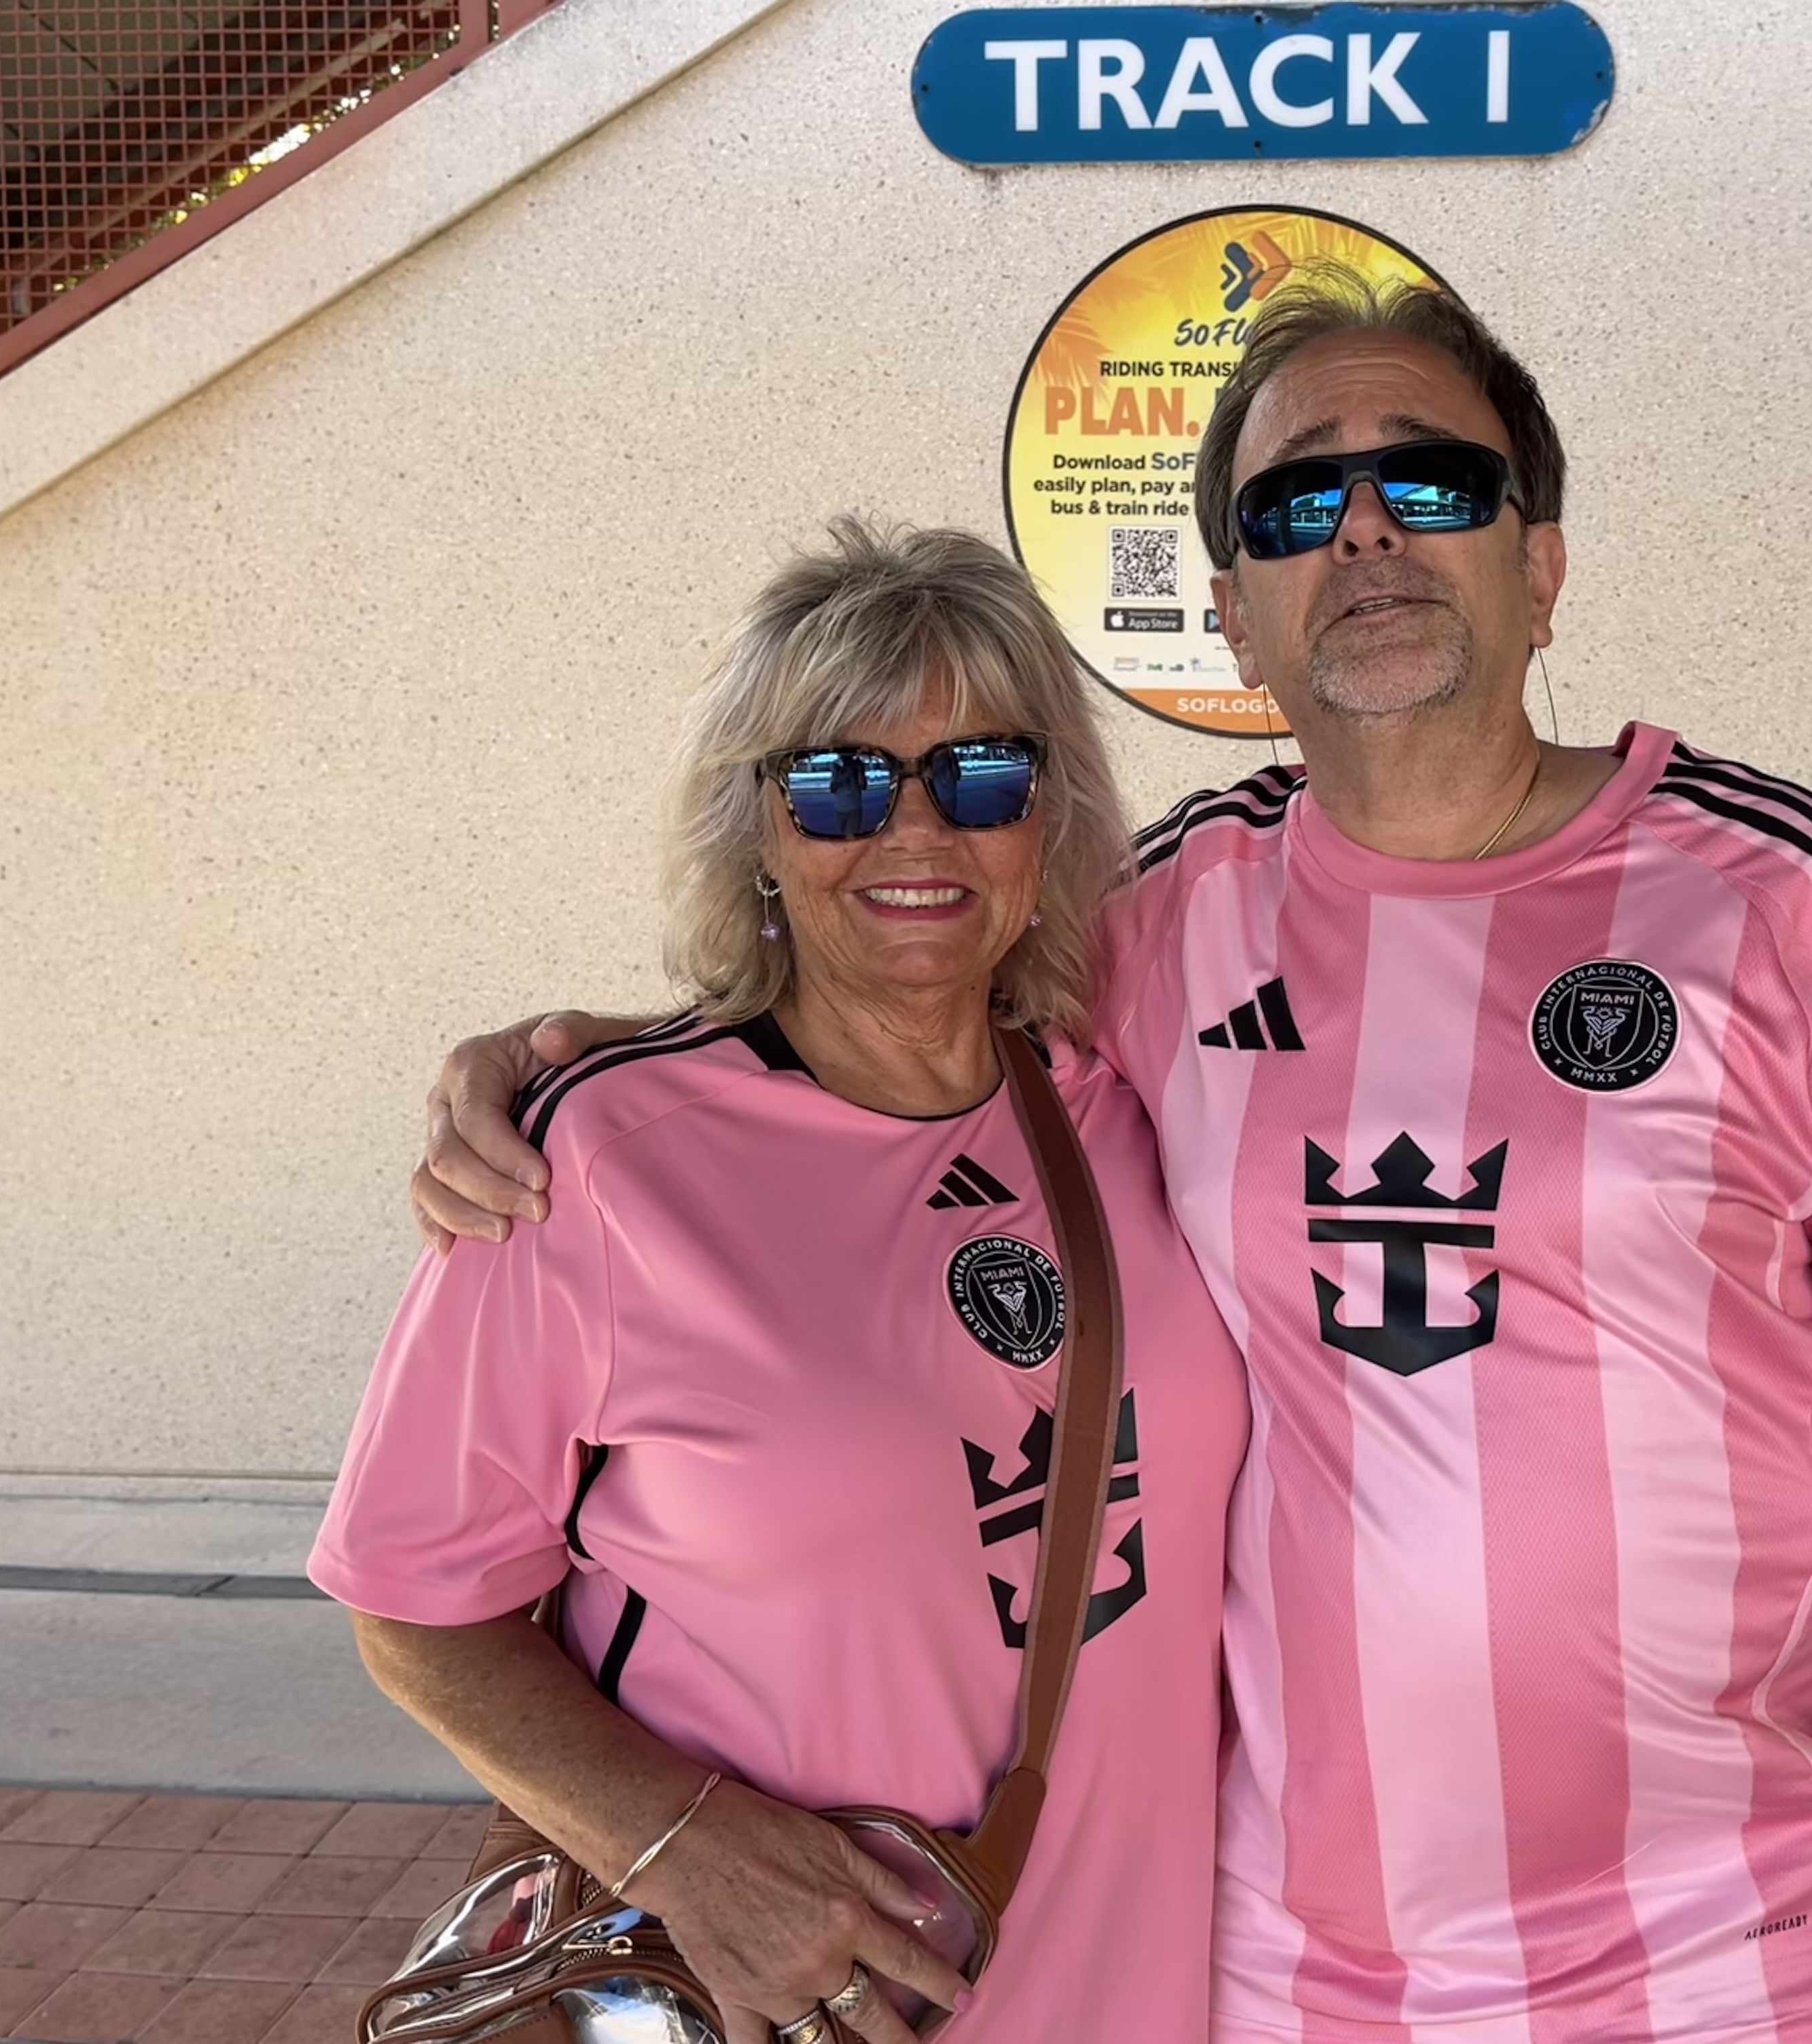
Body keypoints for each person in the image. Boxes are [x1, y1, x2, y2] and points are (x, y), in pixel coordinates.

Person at [412, 276, 1812, 2044]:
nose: (1363, 531)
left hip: (1736, 1969)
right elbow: (901, 986)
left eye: (1432, 479)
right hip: (1291, 1990)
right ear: (1236, 618)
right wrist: (590, 1062)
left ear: (1541, 565)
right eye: (1294, 505)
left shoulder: (1773, 890)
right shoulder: (1169, 921)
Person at [310, 520, 1248, 2044]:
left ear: (1048, 818)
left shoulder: (1128, 1102)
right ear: (757, 827)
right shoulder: (596, 1165)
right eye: (837, 785)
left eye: (982, 776)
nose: (916, 832)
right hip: (792, 2007)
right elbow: (414, 1607)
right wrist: (683, 1848)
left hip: (1139, 1994)